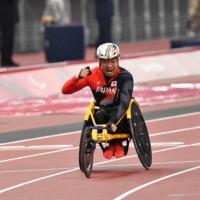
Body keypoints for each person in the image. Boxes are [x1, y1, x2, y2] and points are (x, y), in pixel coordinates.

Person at [62, 43, 134, 159]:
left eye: (112, 61)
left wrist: (113, 121)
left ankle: (118, 143)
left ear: (118, 61)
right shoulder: (92, 75)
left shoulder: (125, 76)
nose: (109, 65)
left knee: (120, 114)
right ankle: (111, 144)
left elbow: (125, 102)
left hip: (120, 112)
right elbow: (65, 90)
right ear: (99, 62)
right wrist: (77, 77)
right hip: (102, 111)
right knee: (98, 116)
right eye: (105, 62)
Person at [0, 0, 19, 67]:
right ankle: (5, 60)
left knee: (9, 39)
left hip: (9, 15)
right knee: (7, 39)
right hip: (6, 16)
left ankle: (8, 59)